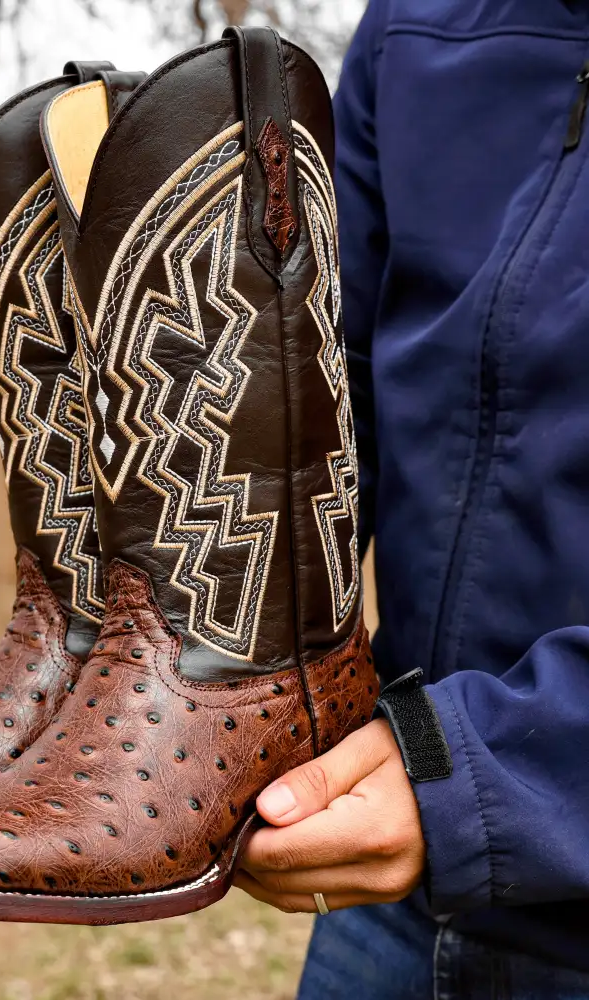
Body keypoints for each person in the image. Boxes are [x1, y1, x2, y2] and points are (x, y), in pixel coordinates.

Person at [234, 1, 589, 996]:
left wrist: (495, 774)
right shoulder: (419, 23)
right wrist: (177, 660)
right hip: (399, 883)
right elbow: (318, 395)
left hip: (453, 794)